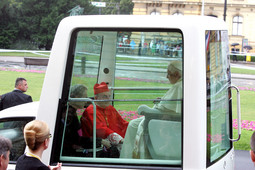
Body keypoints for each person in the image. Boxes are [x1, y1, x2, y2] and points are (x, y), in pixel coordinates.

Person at [120, 60, 182, 159]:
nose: (167, 77)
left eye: (169, 74)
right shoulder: (180, 85)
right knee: (133, 124)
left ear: (177, 74)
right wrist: (162, 101)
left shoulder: (179, 86)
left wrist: (150, 108)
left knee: (132, 125)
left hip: (162, 119)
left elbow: (170, 109)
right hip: (163, 117)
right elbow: (171, 105)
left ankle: (129, 159)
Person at [61, 84, 110, 156]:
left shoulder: (70, 110)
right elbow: (77, 139)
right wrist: (100, 141)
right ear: (75, 97)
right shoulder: (69, 115)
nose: (87, 100)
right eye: (85, 97)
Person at [81, 82, 129, 152]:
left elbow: (122, 123)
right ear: (96, 98)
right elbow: (100, 129)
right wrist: (120, 140)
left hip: (115, 143)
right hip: (98, 146)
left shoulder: (110, 108)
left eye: (109, 96)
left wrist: (135, 127)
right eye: (104, 96)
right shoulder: (90, 111)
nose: (108, 99)